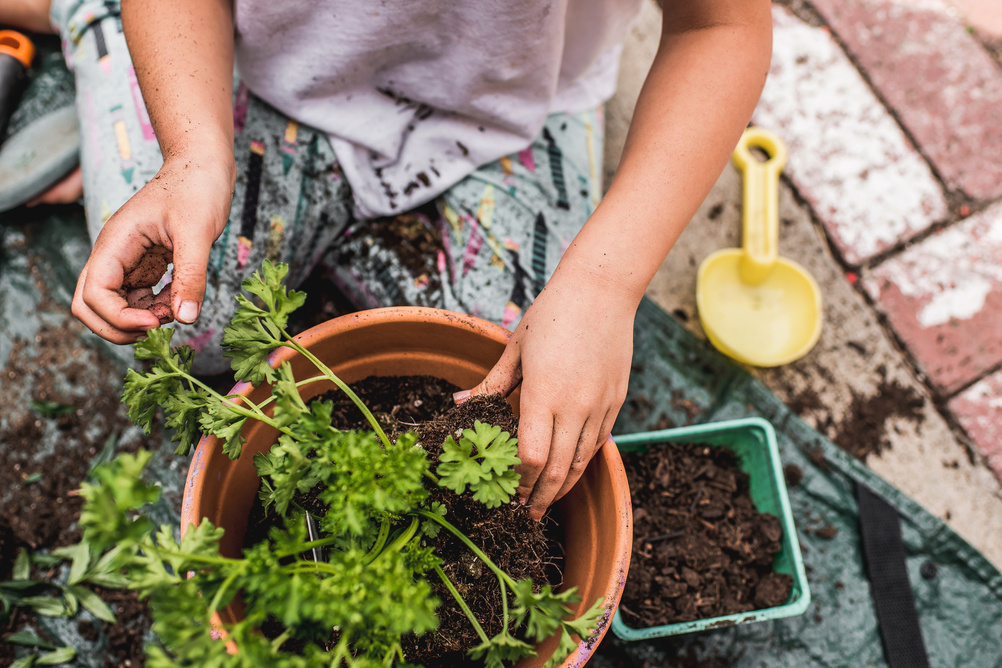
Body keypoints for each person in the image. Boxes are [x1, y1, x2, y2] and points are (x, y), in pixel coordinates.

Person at [1, 0, 772, 520]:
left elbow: (721, 26)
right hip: (248, 58)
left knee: (514, 397)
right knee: (174, 320)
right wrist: (191, 153)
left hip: (512, 104)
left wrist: (605, 284)